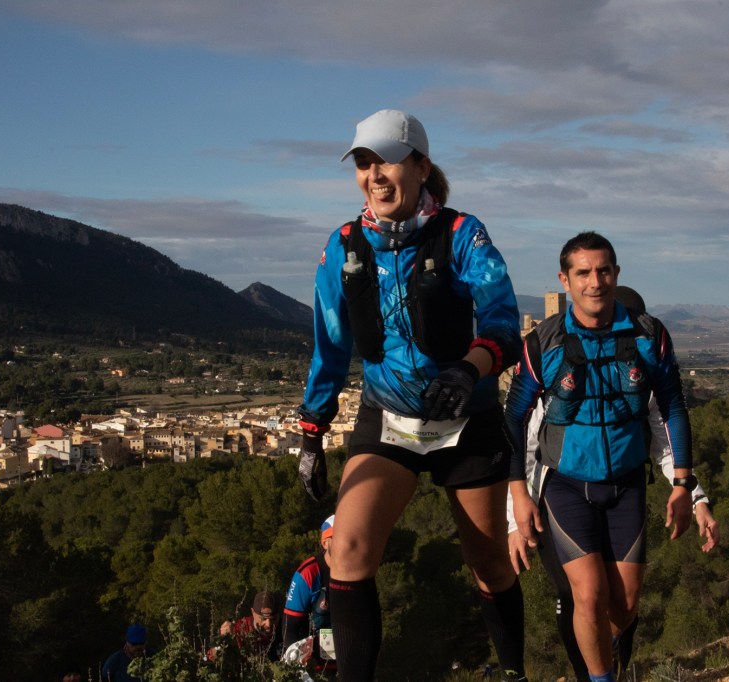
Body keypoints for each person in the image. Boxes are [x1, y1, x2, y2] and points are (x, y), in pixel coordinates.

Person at [297, 109, 526, 681]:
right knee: (347, 551)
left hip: (464, 416)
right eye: (363, 163)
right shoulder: (344, 245)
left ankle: (513, 672)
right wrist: (312, 432)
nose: (374, 175)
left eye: (387, 161)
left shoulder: (461, 233)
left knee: (488, 561)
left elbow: (502, 320)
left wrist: (469, 370)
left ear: (422, 167)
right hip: (388, 418)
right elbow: (330, 343)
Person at [505, 232, 697, 682]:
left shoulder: (649, 335)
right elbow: (513, 418)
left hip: (627, 483)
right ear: (565, 280)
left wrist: (684, 484)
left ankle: (606, 653)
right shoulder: (544, 342)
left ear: (616, 273)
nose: (595, 282)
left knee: (624, 606)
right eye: (584, 273)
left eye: (604, 270)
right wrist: (518, 495)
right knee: (588, 597)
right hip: (567, 484)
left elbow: (672, 407)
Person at [282, 515, 336, 675]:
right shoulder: (308, 573)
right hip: (313, 669)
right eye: (337, 538)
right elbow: (289, 627)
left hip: (347, 664)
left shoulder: (358, 570)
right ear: (325, 543)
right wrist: (300, 670)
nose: (344, 543)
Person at [219, 591, 282, 661]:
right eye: (263, 619)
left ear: (279, 616)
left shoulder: (286, 629)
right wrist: (223, 639)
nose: (268, 624)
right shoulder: (240, 631)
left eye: (273, 619)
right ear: (253, 613)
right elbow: (212, 656)